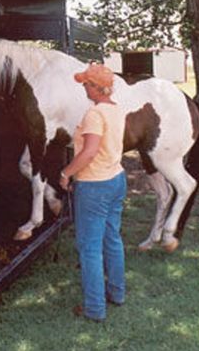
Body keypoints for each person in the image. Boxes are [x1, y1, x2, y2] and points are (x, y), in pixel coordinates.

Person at [59, 62, 127, 322]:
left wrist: (66, 173)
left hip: (95, 186)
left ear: (96, 88)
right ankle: (117, 294)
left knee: (89, 248)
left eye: (86, 83)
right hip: (116, 179)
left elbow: (88, 152)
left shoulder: (94, 115)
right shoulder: (116, 109)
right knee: (112, 239)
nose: (84, 87)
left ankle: (95, 308)